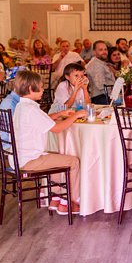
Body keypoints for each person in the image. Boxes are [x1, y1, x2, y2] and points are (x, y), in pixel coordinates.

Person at [11, 70, 87, 215]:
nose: (43, 90)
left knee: (56, 157)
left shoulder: (22, 106)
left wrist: (60, 114)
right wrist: (76, 116)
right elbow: (57, 129)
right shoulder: (31, 109)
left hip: (19, 158)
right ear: (30, 89)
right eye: (41, 88)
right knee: (73, 162)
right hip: (29, 161)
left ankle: (56, 198)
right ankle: (69, 202)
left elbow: (44, 119)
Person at [86, 40, 117, 105]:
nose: (104, 52)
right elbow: (101, 86)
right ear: (94, 52)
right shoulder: (96, 65)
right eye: (101, 50)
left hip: (105, 96)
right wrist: (115, 95)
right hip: (101, 97)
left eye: (105, 49)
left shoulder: (100, 62)